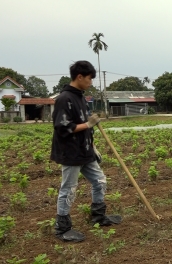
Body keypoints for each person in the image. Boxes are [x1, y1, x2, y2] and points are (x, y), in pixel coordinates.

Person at [51, 60, 121, 242]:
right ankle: (62, 228)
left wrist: (93, 146)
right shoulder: (64, 98)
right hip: (71, 152)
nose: (91, 82)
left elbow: (85, 127)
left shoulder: (80, 97)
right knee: (69, 189)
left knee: (100, 181)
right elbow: (62, 127)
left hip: (85, 150)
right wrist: (88, 124)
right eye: (89, 78)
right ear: (79, 77)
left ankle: (98, 216)